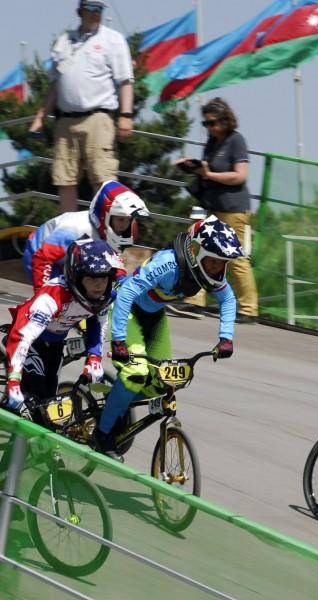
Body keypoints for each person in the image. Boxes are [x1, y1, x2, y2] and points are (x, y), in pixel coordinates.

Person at [91, 216, 244, 457]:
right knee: (136, 373)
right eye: (214, 262)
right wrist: (119, 339)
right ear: (196, 252)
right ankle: (102, 432)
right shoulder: (168, 264)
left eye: (222, 263)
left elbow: (228, 299)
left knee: (162, 383)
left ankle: (117, 401)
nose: (218, 269)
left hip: (153, 316)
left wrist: (226, 337)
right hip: (127, 310)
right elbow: (126, 294)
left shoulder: (206, 271)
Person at [29, 0, 134, 214]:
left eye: (100, 9)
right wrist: (40, 117)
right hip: (65, 120)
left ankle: (105, 237)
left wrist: (126, 115)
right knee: (65, 179)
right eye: (91, 9)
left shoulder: (113, 40)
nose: (96, 14)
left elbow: (125, 80)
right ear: (80, 12)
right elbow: (55, 84)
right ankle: (69, 235)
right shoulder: (63, 42)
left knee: (102, 178)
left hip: (98, 117)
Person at [3, 239, 124, 412]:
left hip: (56, 342)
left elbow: (98, 323)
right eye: (92, 277)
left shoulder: (107, 295)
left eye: (104, 277)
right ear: (78, 277)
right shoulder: (53, 296)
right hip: (30, 340)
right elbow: (23, 336)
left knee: (48, 399)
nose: (99, 285)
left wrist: (94, 358)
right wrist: (14, 380)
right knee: (32, 398)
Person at [173, 97, 257, 324]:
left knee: (235, 258)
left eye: (212, 123)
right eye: (205, 123)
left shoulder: (236, 141)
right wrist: (193, 166)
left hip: (233, 208)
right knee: (200, 251)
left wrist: (210, 175)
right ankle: (195, 301)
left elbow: (240, 175)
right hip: (212, 206)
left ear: (225, 120)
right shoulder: (212, 141)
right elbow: (208, 169)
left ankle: (249, 309)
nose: (209, 127)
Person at [23, 179, 146, 290]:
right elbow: (42, 257)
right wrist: (42, 294)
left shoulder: (109, 231)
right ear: (105, 215)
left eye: (128, 220)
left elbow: (114, 265)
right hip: (37, 255)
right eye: (120, 219)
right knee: (62, 301)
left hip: (66, 262)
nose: (124, 226)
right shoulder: (74, 230)